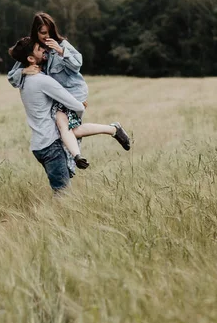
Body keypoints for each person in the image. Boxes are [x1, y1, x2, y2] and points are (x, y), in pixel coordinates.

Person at [8, 36, 131, 192]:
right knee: (63, 193)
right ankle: (112, 130)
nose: (45, 49)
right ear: (31, 59)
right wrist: (79, 108)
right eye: (40, 49)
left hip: (38, 146)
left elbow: (16, 77)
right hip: (51, 145)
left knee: (61, 189)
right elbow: (74, 105)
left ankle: (111, 130)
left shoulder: (22, 80)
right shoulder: (42, 81)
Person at [8, 12, 92, 172]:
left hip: (72, 95)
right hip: (55, 98)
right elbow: (12, 77)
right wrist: (24, 71)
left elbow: (77, 65)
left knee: (65, 128)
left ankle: (71, 166)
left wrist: (61, 51)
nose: (47, 36)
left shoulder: (62, 44)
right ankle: (72, 163)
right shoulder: (32, 50)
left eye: (49, 32)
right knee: (63, 131)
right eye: (43, 33)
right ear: (36, 32)